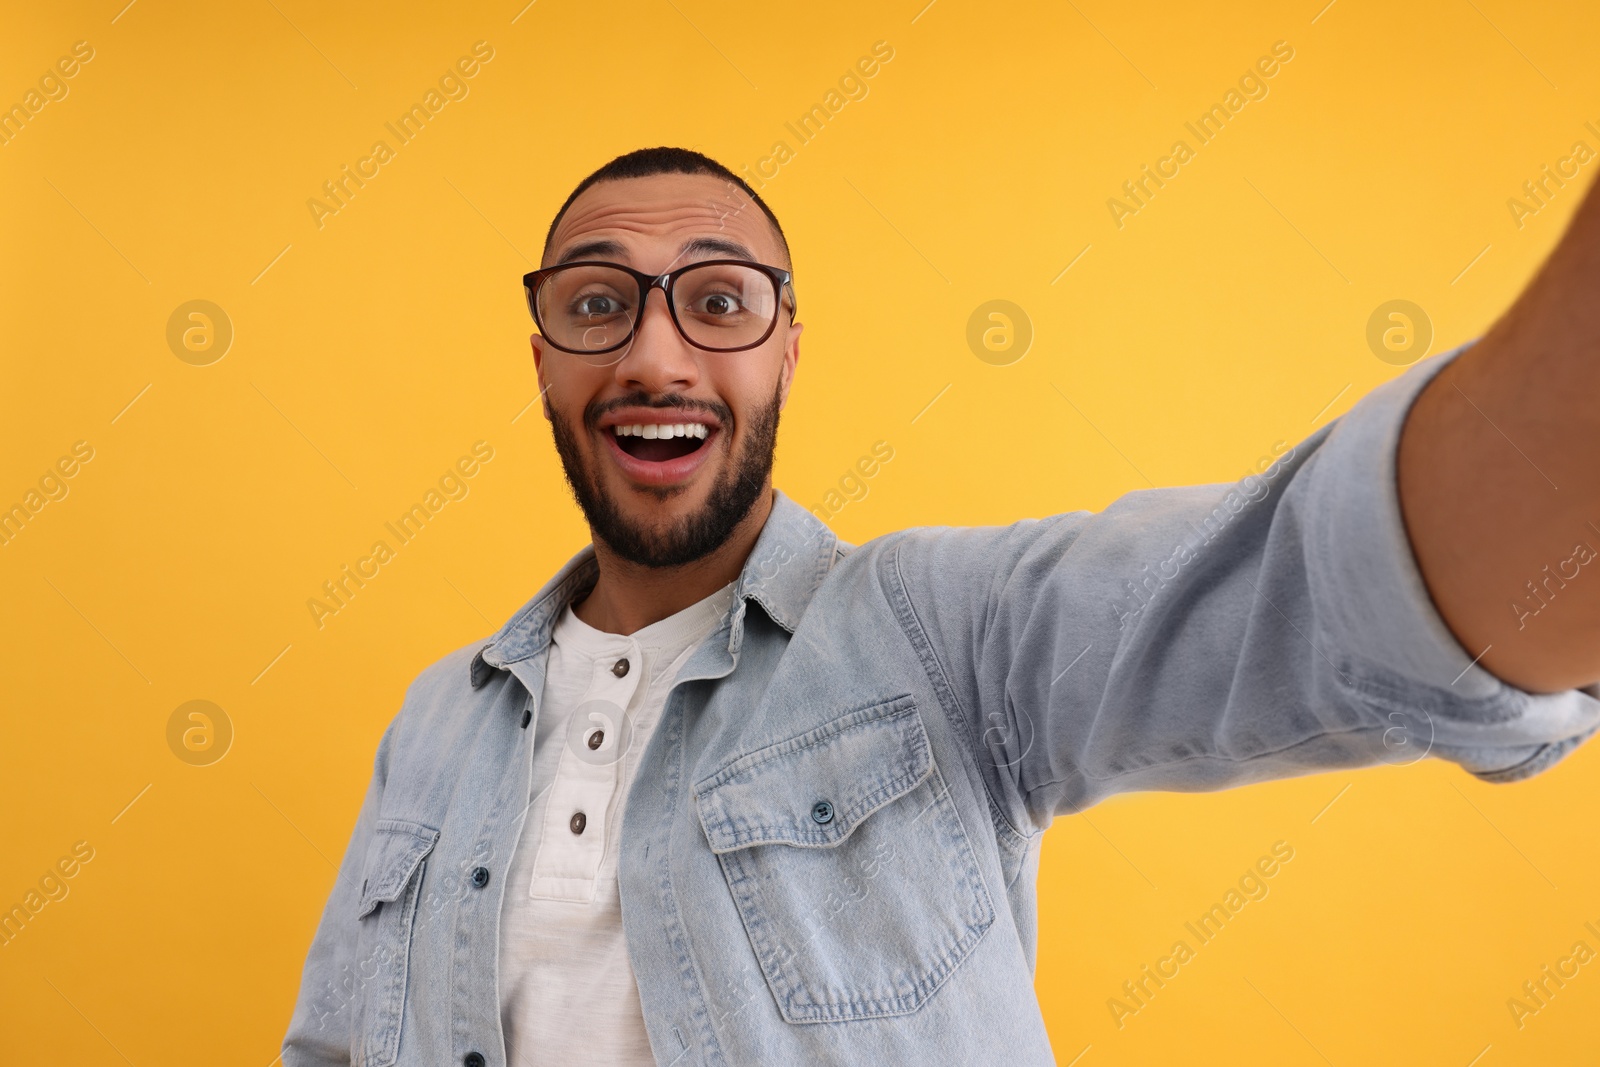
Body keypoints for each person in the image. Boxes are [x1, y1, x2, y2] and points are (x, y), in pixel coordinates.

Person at [281, 146, 1600, 1066]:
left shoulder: (934, 632)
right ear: (544, 361)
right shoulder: (434, 719)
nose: (655, 354)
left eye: (720, 301)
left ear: (788, 346)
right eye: (596, 305)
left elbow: (1305, 597)